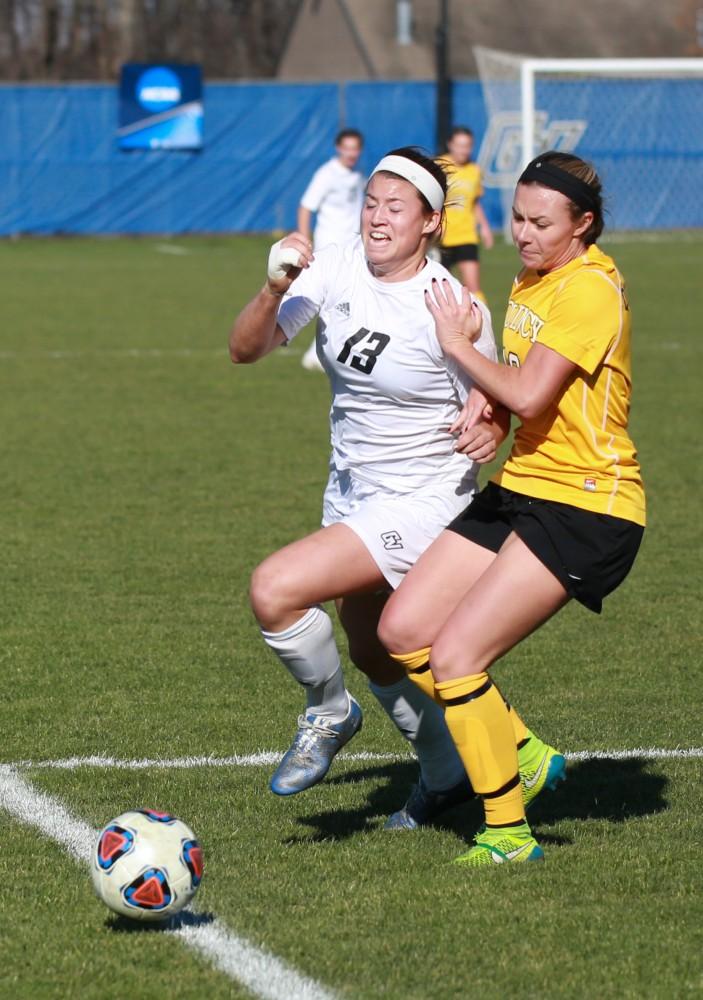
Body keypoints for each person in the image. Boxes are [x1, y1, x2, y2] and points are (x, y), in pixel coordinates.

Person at [229, 147, 563, 829]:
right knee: (368, 637)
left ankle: (329, 712)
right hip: (352, 488)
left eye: (395, 208)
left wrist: (490, 420)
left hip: (425, 498)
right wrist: (271, 290)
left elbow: (498, 399)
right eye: (371, 203)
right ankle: (446, 777)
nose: (377, 219)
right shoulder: (338, 260)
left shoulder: (451, 303)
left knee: (276, 589)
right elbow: (245, 349)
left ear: (431, 223)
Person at [379, 150, 646, 864]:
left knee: (459, 653)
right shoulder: (533, 278)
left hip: (587, 503)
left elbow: (530, 392)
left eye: (540, 223)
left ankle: (507, 834)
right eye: (517, 218)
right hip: (526, 484)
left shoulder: (586, 290)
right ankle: (523, 753)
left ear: (582, 224)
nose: (523, 234)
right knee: (404, 628)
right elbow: (525, 398)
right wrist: (487, 415)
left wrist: (454, 345)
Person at [297, 128, 365, 371]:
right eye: (347, 147)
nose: (351, 153)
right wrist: (305, 240)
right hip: (330, 247)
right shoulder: (327, 174)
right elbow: (305, 206)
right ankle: (317, 350)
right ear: (338, 148)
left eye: (355, 148)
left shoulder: (357, 175)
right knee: (329, 298)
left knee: (351, 298)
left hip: (354, 247)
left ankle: (336, 349)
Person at [437, 126, 493, 304]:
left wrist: (484, 227)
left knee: (474, 290)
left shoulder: (474, 171)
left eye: (467, 145)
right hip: (441, 237)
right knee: (437, 288)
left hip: (466, 236)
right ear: (450, 145)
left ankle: (481, 328)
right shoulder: (439, 166)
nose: (464, 150)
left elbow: (474, 202)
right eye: (459, 145)